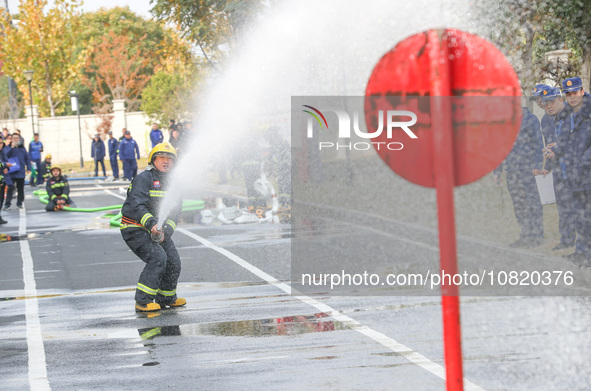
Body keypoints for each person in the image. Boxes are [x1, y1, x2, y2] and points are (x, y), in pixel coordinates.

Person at [120, 142, 185, 312]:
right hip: (135, 228)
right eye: (162, 158)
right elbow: (137, 206)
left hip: (158, 230)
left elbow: (175, 213)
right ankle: (142, 302)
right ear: (153, 160)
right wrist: (151, 225)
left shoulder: (174, 184)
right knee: (157, 259)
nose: (166, 161)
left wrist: (166, 232)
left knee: (173, 261)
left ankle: (166, 297)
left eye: (169, 159)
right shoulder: (144, 179)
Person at [544, 77, 591, 264]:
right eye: (568, 94)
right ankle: (581, 252)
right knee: (579, 215)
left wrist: (584, 159)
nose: (572, 97)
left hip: (587, 173)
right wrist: (554, 149)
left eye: (575, 93)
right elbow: (565, 140)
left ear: (582, 91)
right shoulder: (568, 115)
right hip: (574, 175)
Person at [494, 106, 545, 248]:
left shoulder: (530, 119)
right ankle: (525, 235)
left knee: (532, 204)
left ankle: (537, 236)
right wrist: (497, 171)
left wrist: (537, 164)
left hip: (527, 169)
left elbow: (538, 143)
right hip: (512, 171)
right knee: (519, 205)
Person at [539, 87, 576, 251]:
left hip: (577, 169)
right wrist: (549, 160)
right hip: (560, 169)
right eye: (545, 103)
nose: (548, 106)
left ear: (561, 99)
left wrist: (559, 147)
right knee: (563, 206)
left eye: (552, 101)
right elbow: (552, 143)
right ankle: (567, 239)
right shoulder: (549, 119)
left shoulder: (574, 113)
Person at [5, 133, 31, 210]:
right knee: (10, 188)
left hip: (20, 172)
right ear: (11, 139)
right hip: (12, 171)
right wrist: (12, 147)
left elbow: (27, 158)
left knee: (20, 189)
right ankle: (7, 203)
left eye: (17, 138)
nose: (15, 140)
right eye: (14, 138)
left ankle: (19, 203)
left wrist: (28, 168)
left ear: (19, 139)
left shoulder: (23, 149)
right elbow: (5, 156)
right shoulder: (8, 148)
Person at [0, 141, 11, 224]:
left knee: (1, 199)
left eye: (1, 143)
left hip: (2, 179)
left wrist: (7, 168)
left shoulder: (2, 152)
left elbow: (4, 164)